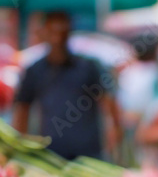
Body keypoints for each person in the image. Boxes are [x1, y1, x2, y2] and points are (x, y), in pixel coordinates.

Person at [12, 11, 122, 160]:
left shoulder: (89, 66)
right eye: (53, 32)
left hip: (89, 154)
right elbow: (22, 110)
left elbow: (108, 101)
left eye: (62, 32)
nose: (57, 38)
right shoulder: (34, 71)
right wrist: (20, 146)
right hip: (50, 154)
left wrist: (115, 130)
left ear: (69, 33)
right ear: (44, 33)